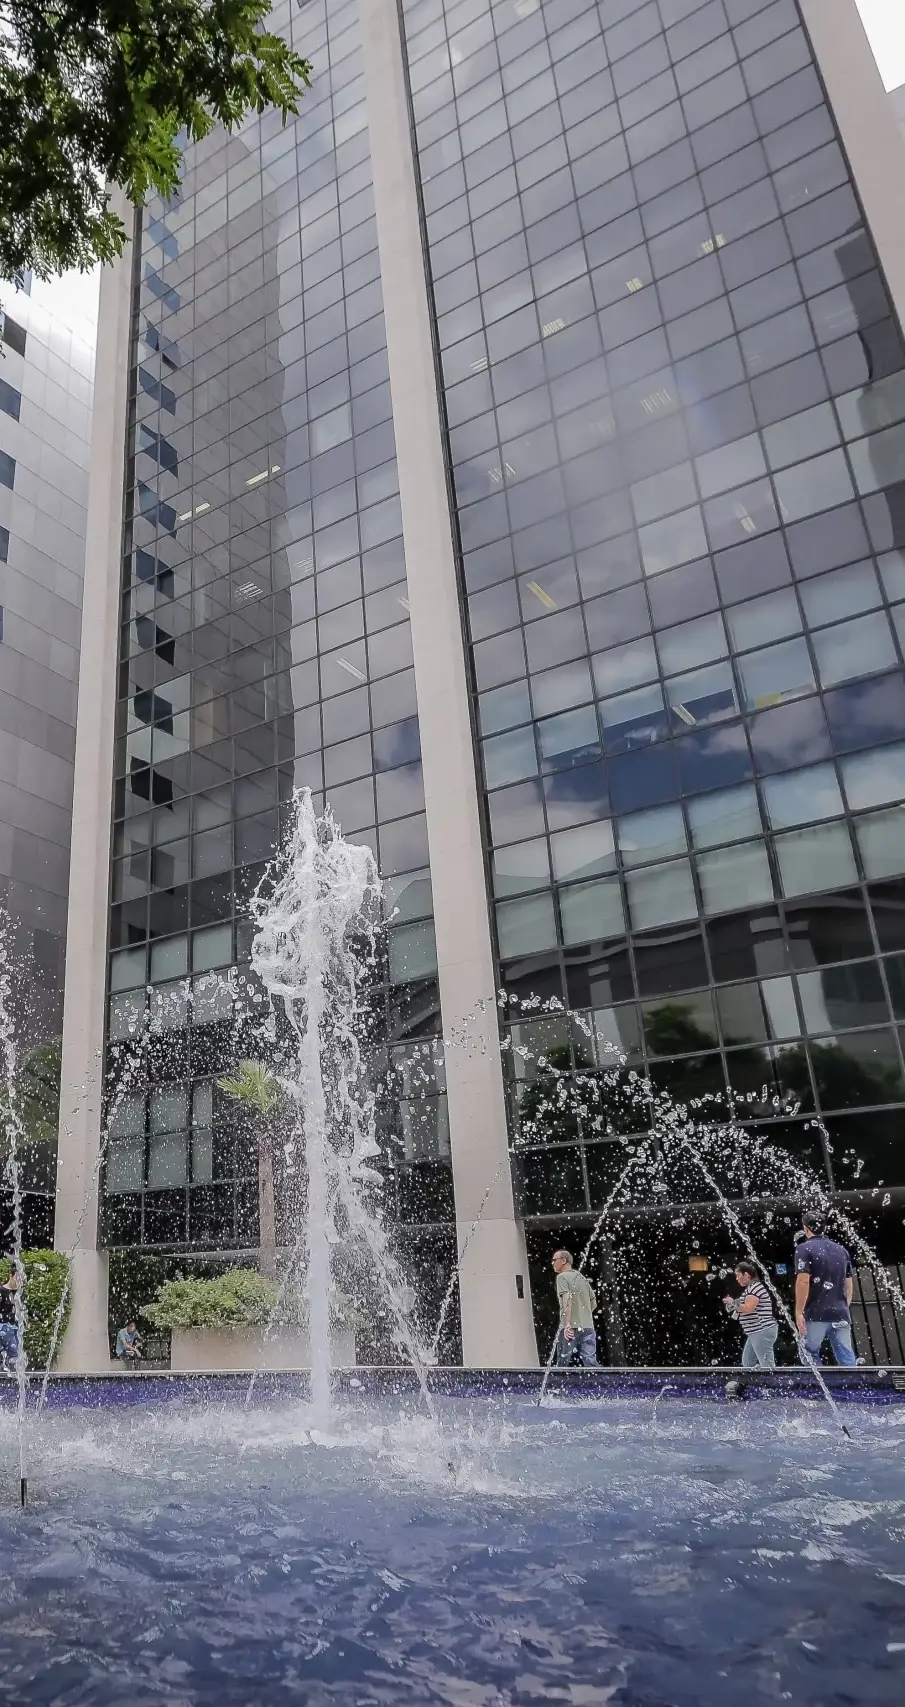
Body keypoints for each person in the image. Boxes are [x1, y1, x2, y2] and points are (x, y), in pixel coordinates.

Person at [795, 1214, 857, 1367]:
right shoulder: (841, 1250)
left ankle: (820, 1382)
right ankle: (853, 1381)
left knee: (809, 1352)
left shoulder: (804, 1249)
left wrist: (799, 1311)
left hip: (816, 1313)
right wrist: (844, 1305)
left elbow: (803, 1281)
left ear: (805, 1228)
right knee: (846, 1356)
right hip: (840, 1313)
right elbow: (848, 1283)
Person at [723, 1260, 778, 1371]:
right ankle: (760, 1378)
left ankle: (770, 1380)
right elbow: (744, 1305)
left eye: (738, 1275)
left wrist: (733, 1302)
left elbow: (748, 1308)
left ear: (746, 1275)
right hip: (756, 1331)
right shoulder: (751, 1289)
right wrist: (733, 1304)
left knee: (767, 1365)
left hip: (761, 1330)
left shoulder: (755, 1288)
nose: (736, 1279)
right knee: (748, 1362)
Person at [552, 1249, 598, 1366]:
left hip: (570, 1328)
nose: (553, 1263)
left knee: (562, 1364)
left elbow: (567, 1300)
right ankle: (602, 1378)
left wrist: (567, 1324)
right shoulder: (582, 1278)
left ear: (563, 1261)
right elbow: (594, 1303)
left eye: (554, 1260)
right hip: (588, 1327)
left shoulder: (562, 1277)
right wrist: (584, 1315)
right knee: (591, 1363)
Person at [0, 1268, 22, 1373]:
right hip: (4, 1326)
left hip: (15, 1327)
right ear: (10, 1276)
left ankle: (10, 1373)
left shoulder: (18, 1293)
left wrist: (41, 1319)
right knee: (13, 1352)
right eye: (16, 1278)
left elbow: (25, 1307)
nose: (18, 1281)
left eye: (20, 1279)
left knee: (16, 1354)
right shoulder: (1, 1291)